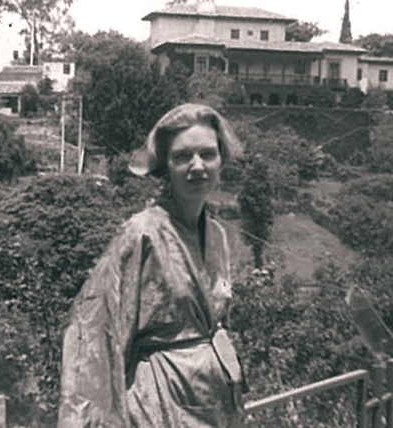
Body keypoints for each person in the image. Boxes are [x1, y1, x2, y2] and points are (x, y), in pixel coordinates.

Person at [58, 103, 247, 427]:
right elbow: (94, 329)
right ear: (164, 167)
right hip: (157, 402)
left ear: (222, 159)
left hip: (212, 402)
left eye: (207, 154)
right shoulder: (141, 233)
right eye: (183, 156)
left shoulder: (217, 235)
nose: (198, 166)